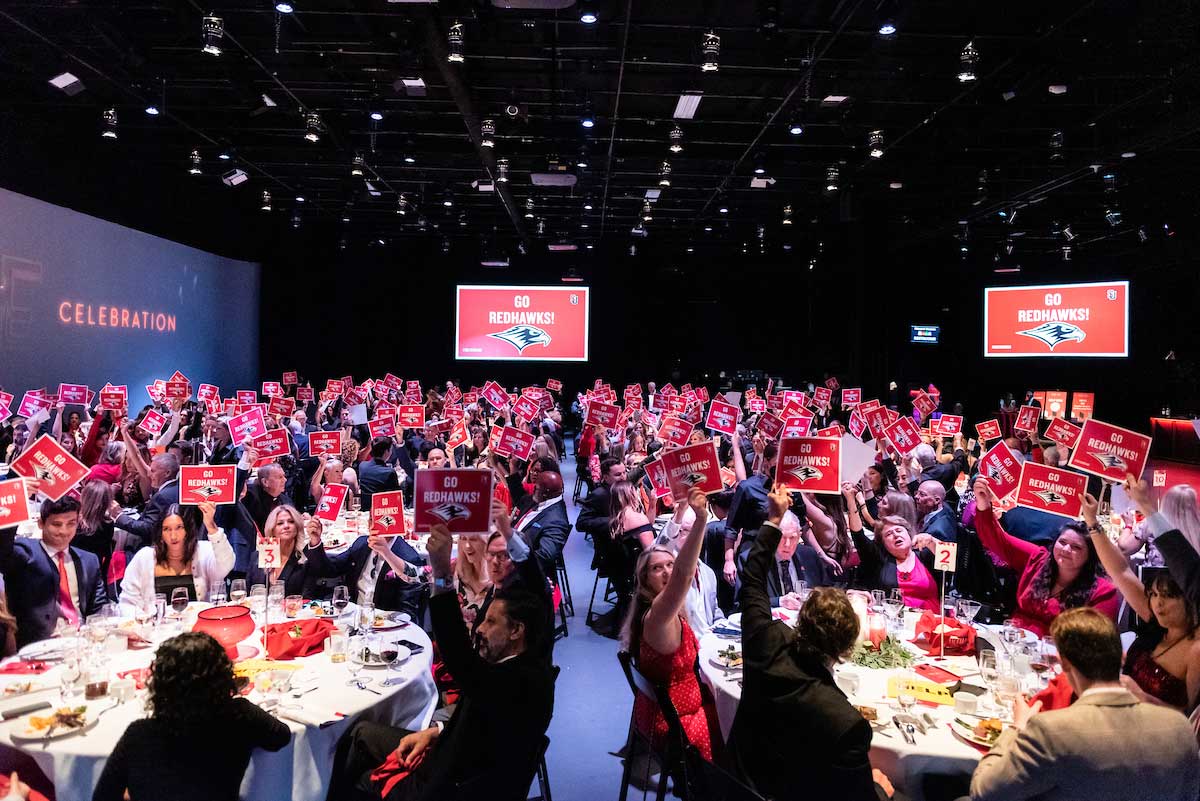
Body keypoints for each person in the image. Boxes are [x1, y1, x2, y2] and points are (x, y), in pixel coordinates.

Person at [329, 526, 554, 801]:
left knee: (357, 766)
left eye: (491, 622)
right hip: (456, 749)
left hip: (448, 785)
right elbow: (475, 719)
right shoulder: (530, 659)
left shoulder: (510, 679)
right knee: (362, 732)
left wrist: (442, 576)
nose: (480, 628)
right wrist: (437, 732)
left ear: (517, 631)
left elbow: (460, 659)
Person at [729, 483, 897, 801]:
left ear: (800, 622)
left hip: (737, 781)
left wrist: (774, 518)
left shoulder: (764, 643)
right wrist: (878, 788)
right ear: (848, 649)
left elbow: (752, 578)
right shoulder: (847, 723)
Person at [968, 607, 1200, 801]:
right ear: (1121, 657)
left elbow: (984, 792)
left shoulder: (1049, 730)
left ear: (1064, 664)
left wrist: (1017, 728)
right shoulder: (1180, 728)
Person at [92, 631, 290, 801]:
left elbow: (103, 797)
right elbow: (281, 736)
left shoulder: (138, 734)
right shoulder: (240, 715)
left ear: (160, 685)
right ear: (224, 676)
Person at [621, 486, 721, 761]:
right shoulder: (657, 616)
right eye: (657, 568)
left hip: (672, 710)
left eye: (669, 564)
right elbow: (683, 576)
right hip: (677, 725)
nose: (666, 571)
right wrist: (701, 519)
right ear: (645, 580)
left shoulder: (665, 611)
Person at [1081, 492, 1200, 711]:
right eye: (1153, 594)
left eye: (1168, 596)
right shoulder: (1155, 621)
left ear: (1190, 599)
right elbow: (1120, 570)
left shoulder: (1195, 650)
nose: (1158, 603)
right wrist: (1092, 522)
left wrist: (1141, 698)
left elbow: (1190, 722)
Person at [973, 478, 1118, 637]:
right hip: (1012, 643)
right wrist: (983, 503)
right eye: (1062, 542)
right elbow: (998, 540)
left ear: (1091, 555)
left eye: (1076, 547)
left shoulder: (1102, 591)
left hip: (1058, 656)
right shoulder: (1039, 559)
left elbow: (1098, 644)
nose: (1066, 549)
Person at [0, 493, 107, 647]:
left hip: (83, 642)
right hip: (39, 647)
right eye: (56, 524)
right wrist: (18, 500)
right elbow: (3, 552)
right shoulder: (24, 553)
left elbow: (99, 608)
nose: (64, 531)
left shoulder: (89, 560)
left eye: (71, 523)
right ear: (41, 523)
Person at [118, 502, 235, 611]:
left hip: (198, 626)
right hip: (158, 629)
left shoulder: (204, 551)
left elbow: (226, 563)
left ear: (188, 530)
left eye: (179, 527)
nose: (173, 536)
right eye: (166, 529)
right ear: (160, 533)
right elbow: (127, 603)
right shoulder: (144, 557)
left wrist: (211, 526)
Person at [847, 484, 940, 611]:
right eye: (889, 534)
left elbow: (953, 562)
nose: (895, 534)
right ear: (883, 543)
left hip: (931, 620)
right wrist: (851, 501)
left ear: (909, 533)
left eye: (899, 530)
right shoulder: (879, 558)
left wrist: (932, 541)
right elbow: (858, 536)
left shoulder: (925, 554)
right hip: (895, 621)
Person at [737, 509, 832, 609]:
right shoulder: (752, 560)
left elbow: (826, 590)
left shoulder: (809, 555)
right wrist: (779, 601)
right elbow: (743, 602)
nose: (787, 544)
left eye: (792, 538)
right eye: (781, 537)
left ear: (799, 536)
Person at [243, 506, 326, 598]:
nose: (286, 526)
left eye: (291, 522)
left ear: (298, 527)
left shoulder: (306, 559)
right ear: (272, 529)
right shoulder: (257, 557)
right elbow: (247, 595)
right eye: (280, 523)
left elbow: (307, 598)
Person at [111, 452, 181, 552]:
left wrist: (119, 516)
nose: (149, 474)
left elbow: (149, 529)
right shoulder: (178, 489)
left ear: (167, 473)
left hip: (155, 550)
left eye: (153, 471)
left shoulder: (162, 496)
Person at [511, 470, 570, 581]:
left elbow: (545, 556)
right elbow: (520, 498)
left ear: (545, 492)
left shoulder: (556, 521)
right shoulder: (541, 500)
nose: (533, 490)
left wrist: (511, 564)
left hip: (525, 575)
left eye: (536, 488)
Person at [358, 436, 401, 508]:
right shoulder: (390, 472)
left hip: (365, 508)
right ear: (387, 451)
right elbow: (396, 498)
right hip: (382, 509)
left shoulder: (362, 466)